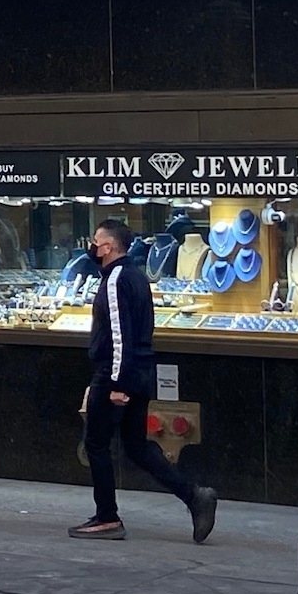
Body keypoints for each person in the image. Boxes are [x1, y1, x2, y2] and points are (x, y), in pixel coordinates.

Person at [70, 218, 218, 542]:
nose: (93, 247)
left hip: (116, 373)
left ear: (108, 247)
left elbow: (120, 334)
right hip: (139, 371)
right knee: (137, 447)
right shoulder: (137, 276)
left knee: (96, 444)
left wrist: (116, 384)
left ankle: (107, 517)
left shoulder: (115, 279)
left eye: (96, 242)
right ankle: (194, 496)